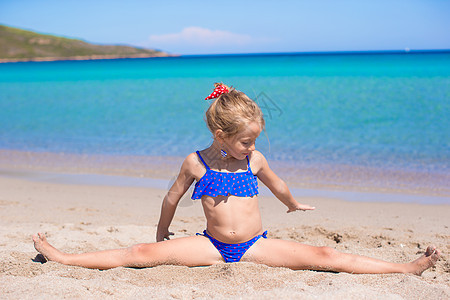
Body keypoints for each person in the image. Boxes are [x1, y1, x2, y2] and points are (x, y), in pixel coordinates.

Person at [33, 83, 440, 274]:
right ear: (220, 136)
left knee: (326, 257)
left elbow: (277, 183)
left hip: (254, 248)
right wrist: (162, 234)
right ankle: (65, 258)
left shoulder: (253, 161)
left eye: (254, 140)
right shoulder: (195, 163)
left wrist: (292, 204)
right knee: (138, 254)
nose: (251, 147)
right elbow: (172, 198)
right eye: (245, 141)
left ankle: (405, 269)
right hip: (210, 248)